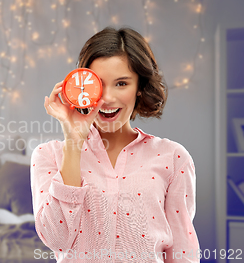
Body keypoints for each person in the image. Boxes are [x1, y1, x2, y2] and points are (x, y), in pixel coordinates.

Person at [31, 26, 200, 262]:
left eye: (121, 83)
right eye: (98, 83)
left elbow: (183, 251)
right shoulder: (48, 155)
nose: (108, 98)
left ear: (139, 88)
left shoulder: (173, 157)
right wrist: (73, 142)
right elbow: (56, 238)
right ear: (82, 86)